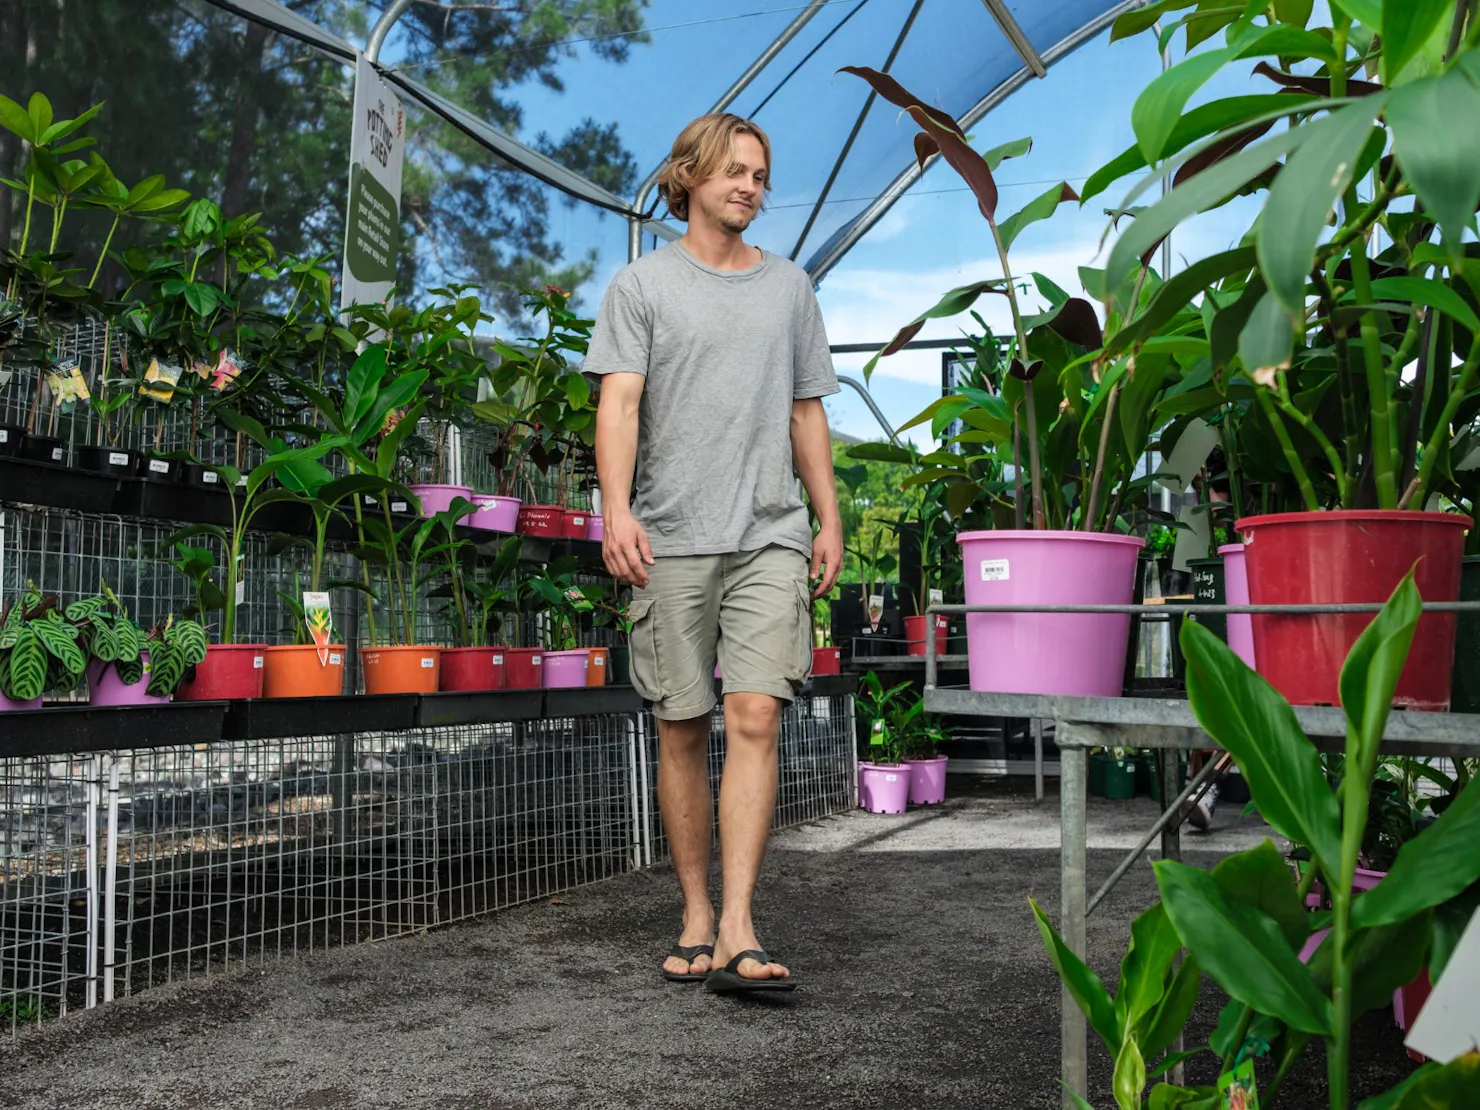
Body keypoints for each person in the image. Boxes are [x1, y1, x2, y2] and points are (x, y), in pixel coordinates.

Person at [587, 112, 843, 994]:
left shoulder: (790, 290)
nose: (750, 187)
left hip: (770, 531)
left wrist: (829, 516)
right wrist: (614, 511)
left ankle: (738, 921)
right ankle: (695, 908)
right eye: (734, 171)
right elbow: (618, 405)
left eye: (761, 175)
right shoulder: (642, 287)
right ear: (689, 175)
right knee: (681, 725)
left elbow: (807, 411)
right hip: (672, 534)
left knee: (758, 716)